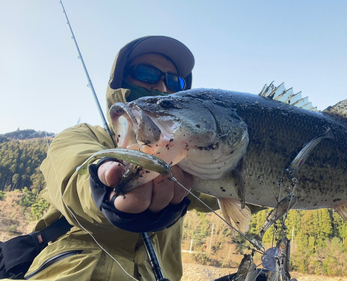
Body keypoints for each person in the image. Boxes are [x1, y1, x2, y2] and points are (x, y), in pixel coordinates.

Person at [24, 36, 216, 281]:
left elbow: (236, 193)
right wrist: (101, 184)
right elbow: (74, 176)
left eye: (174, 81)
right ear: (120, 82)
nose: (161, 87)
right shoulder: (80, 135)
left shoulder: (189, 158)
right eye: (147, 74)